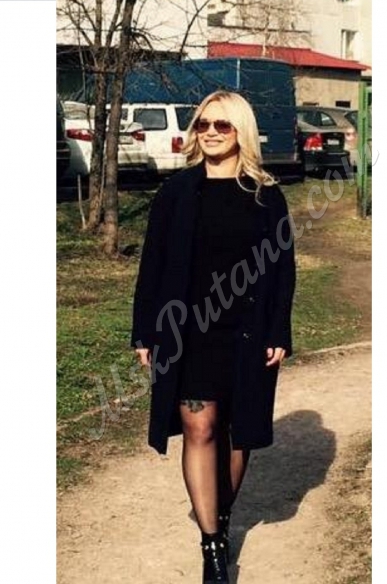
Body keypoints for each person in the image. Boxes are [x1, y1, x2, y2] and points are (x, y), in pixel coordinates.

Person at [130, 90, 296, 583]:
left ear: (241, 130)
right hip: (187, 332)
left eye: (222, 125)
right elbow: (153, 264)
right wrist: (145, 332)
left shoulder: (266, 195)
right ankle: (213, 547)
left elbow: (282, 270)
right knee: (199, 428)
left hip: (246, 331)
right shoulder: (176, 192)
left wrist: (278, 330)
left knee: (238, 431)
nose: (210, 133)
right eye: (203, 124)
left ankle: (220, 516)